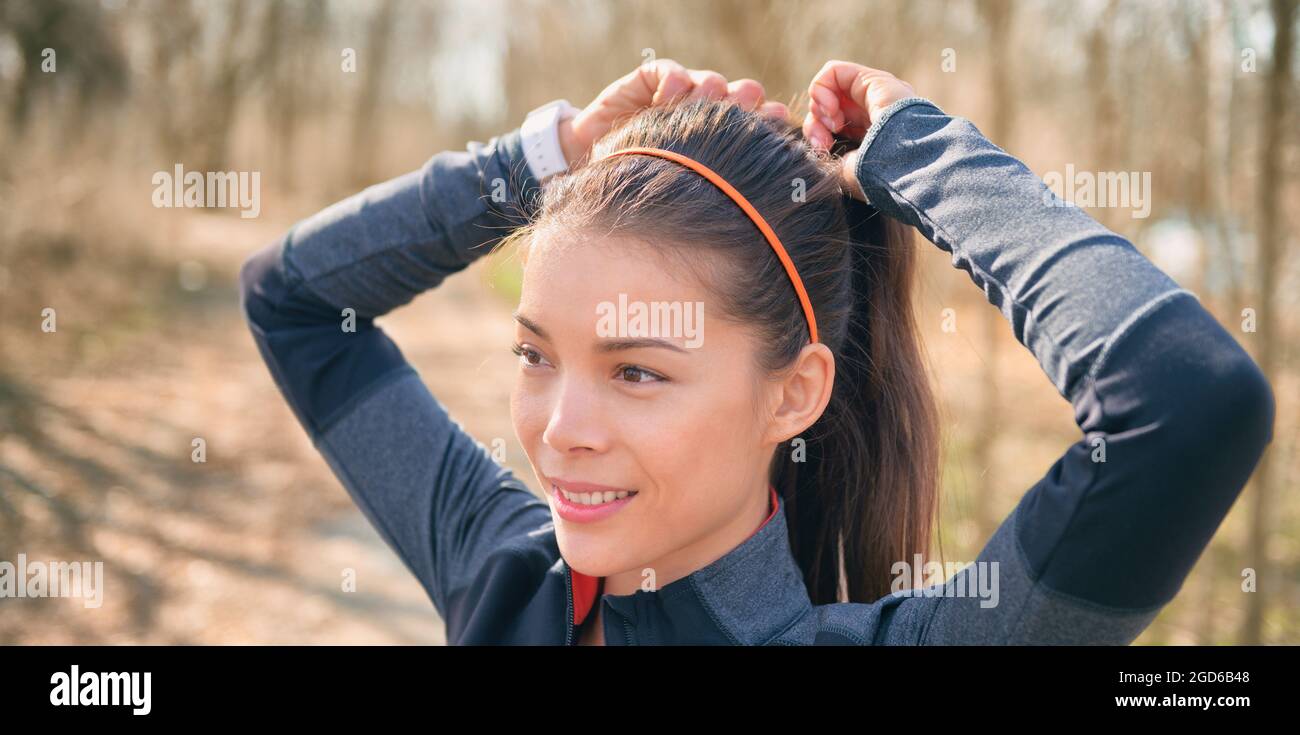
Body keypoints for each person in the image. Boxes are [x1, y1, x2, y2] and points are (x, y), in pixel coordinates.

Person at [238, 59, 1275, 645]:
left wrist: (923, 157)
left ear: (794, 394)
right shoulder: (508, 574)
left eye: (636, 370)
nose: (558, 433)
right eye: (534, 354)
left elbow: (1188, 405)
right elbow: (293, 301)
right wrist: (543, 161)